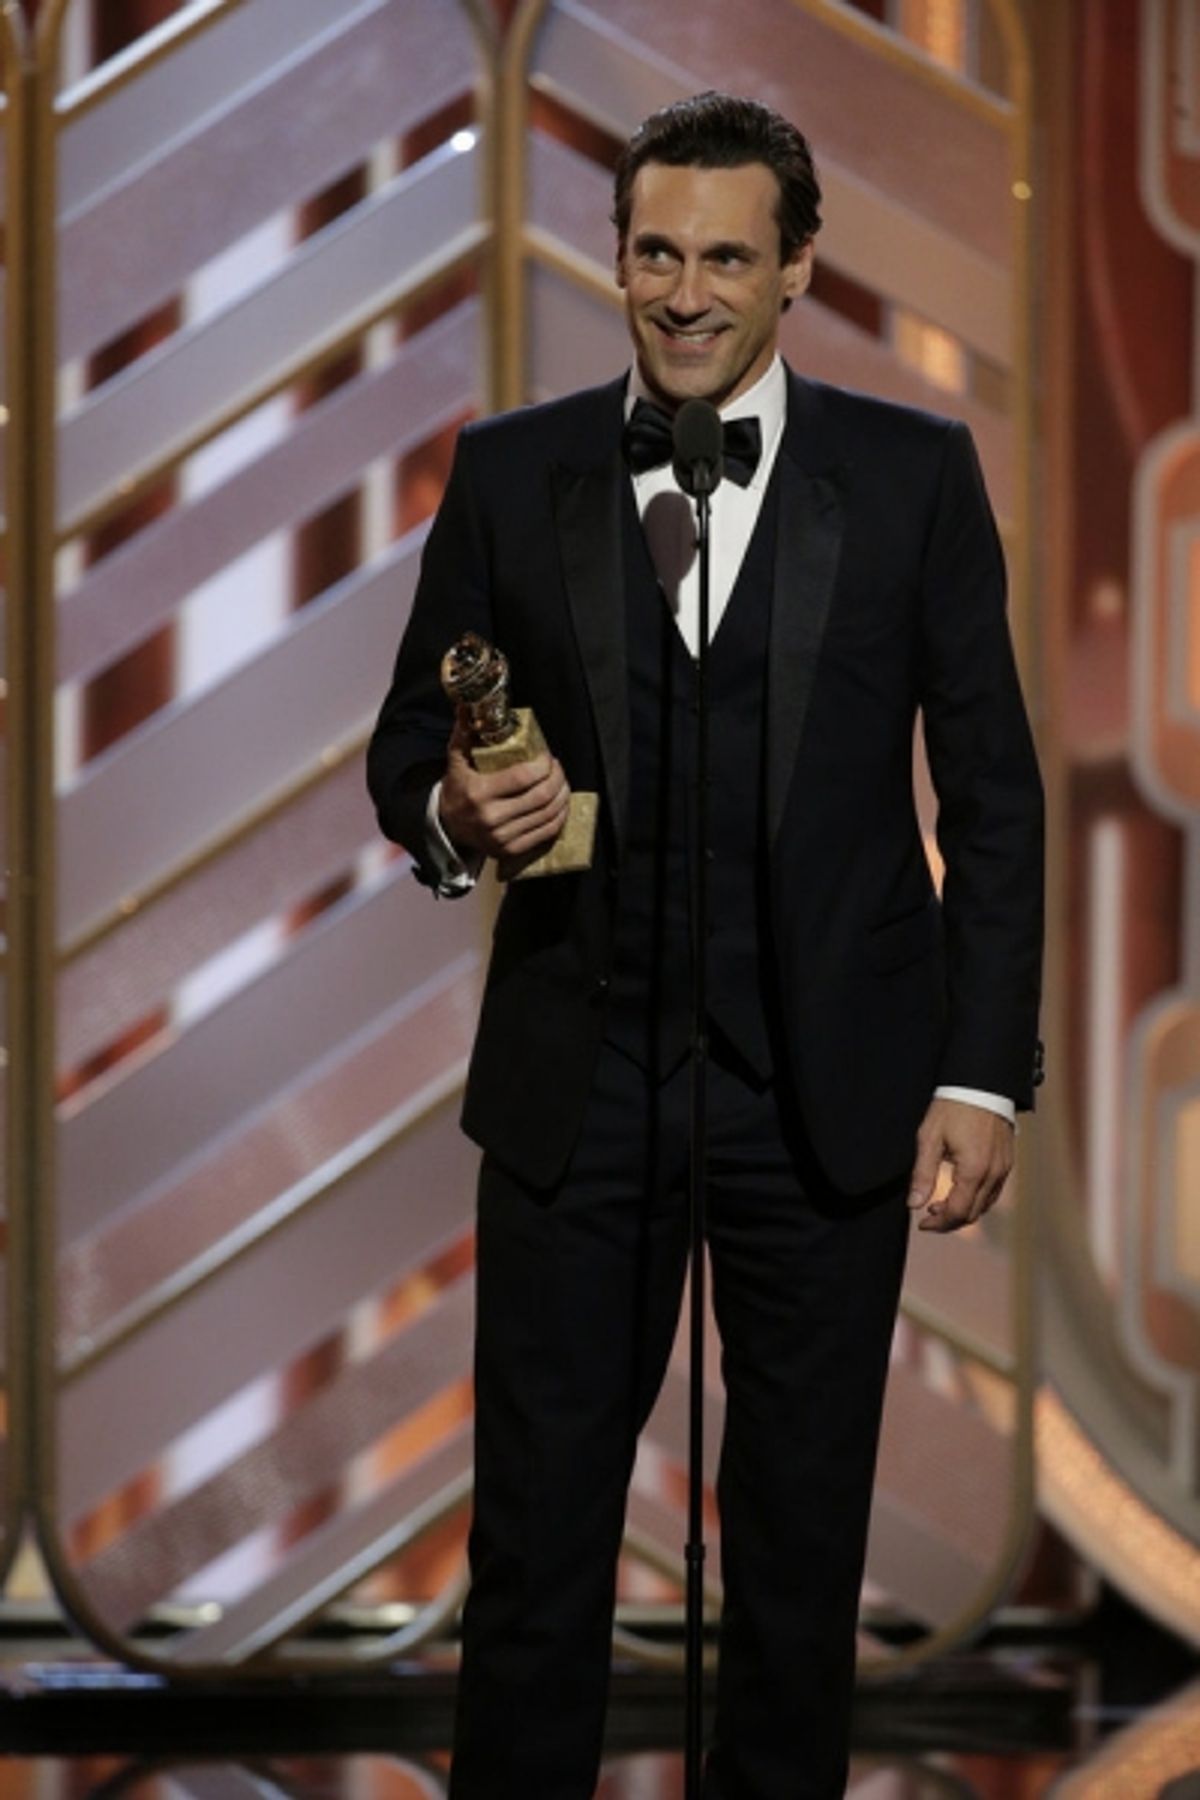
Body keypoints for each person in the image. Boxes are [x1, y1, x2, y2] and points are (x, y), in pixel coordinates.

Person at [368, 90, 1043, 1800]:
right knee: (534, 1554)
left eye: (725, 257)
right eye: (654, 252)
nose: (683, 292)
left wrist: (981, 1069)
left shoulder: (910, 479)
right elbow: (402, 758)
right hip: (572, 1092)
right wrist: (458, 812)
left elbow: (995, 794)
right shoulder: (511, 475)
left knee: (800, 1563)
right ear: (618, 256)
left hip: (825, 1092)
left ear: (797, 267)